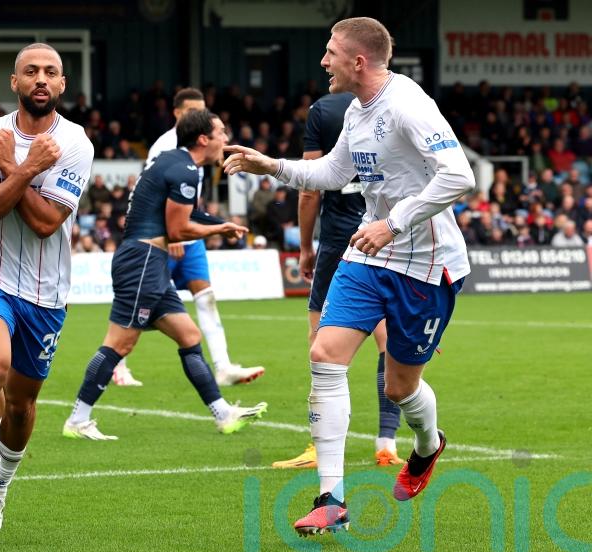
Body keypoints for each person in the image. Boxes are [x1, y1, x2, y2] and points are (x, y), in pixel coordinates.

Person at [223, 17, 474, 535]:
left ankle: (428, 445)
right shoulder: (357, 112)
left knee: (400, 387)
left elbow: (459, 175)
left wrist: (393, 222)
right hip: (368, 256)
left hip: (427, 265)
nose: (323, 61)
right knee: (324, 355)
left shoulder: (409, 105)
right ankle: (331, 499)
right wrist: (271, 165)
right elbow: (333, 174)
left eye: (330, 52)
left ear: (358, 61)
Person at [63, 109, 267, 441]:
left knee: (189, 335)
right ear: (203, 138)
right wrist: (217, 230)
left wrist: (221, 224)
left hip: (149, 262)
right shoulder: (185, 169)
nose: (226, 139)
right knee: (120, 342)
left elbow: (188, 214)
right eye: (221, 132)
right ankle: (77, 419)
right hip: (142, 262)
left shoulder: (175, 163)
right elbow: (178, 229)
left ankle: (223, 414)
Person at [0, 43, 93, 533]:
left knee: (21, 403)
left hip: (45, 291)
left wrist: (16, 168)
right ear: (14, 81)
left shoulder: (75, 143)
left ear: (62, 84)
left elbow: (46, 222)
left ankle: (1, 489)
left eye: (50, 72)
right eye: (30, 71)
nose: (40, 79)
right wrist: (30, 167)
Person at [272, 92, 404, 471]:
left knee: (320, 341)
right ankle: (386, 442)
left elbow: (310, 188)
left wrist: (305, 246)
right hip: (383, 234)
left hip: (339, 239)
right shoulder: (395, 101)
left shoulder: (323, 110)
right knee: (387, 340)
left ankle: (319, 446)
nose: (326, 64)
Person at [112, 87, 265, 388]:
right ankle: (118, 365)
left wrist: (217, 223)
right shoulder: (165, 146)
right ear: (177, 113)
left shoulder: (201, 146)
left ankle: (223, 366)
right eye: (192, 111)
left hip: (188, 229)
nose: (199, 116)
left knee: (205, 295)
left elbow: (190, 200)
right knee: (141, 300)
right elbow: (153, 193)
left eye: (202, 111)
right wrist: (176, 237)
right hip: (165, 236)